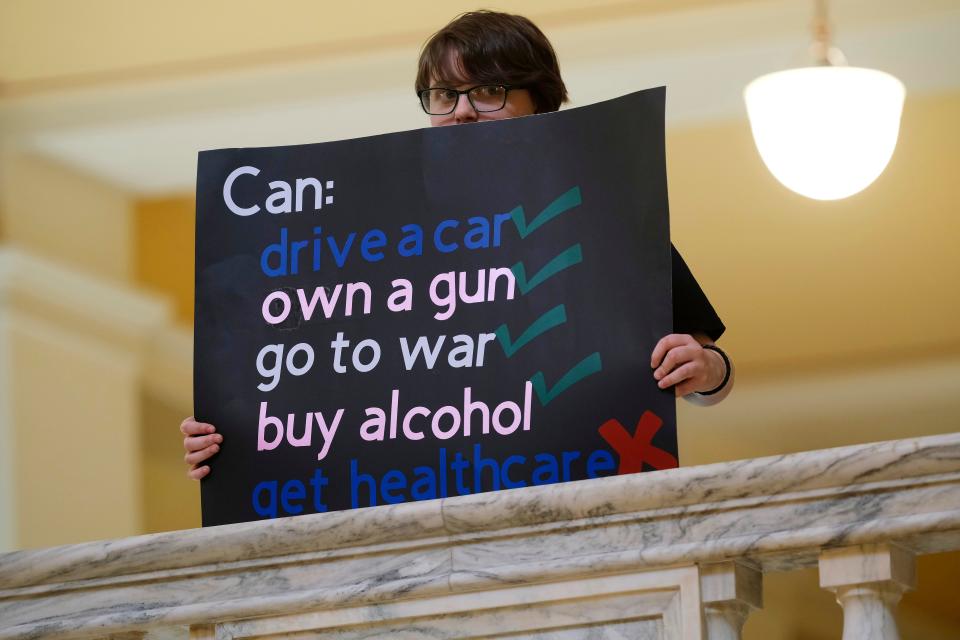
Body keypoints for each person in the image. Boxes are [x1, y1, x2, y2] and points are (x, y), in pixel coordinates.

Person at [181, 10, 734, 480]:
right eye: (445, 95)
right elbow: (308, 382)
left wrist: (706, 370)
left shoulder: (614, 227)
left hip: (575, 505)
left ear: (541, 105)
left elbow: (711, 375)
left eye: (489, 91)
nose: (463, 111)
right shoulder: (366, 244)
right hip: (413, 516)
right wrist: (229, 436)